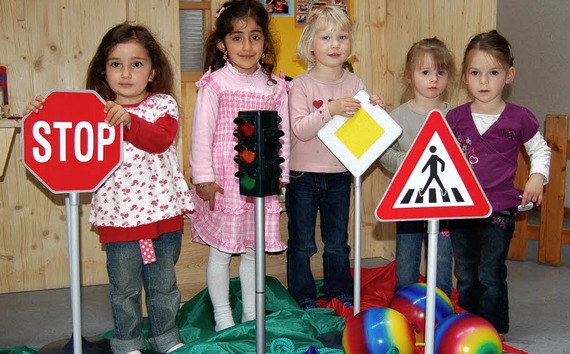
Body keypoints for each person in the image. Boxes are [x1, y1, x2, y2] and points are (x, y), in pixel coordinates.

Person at [24, 23, 194, 354]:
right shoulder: (94, 109)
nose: (126, 73)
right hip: (118, 220)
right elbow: (64, 134)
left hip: (163, 217)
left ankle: (166, 337)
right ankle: (128, 342)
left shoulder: (162, 105)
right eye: (116, 63)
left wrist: (129, 121)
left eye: (137, 63)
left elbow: (159, 140)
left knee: (163, 287)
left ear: (153, 69)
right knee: (124, 289)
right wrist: (38, 115)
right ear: (104, 69)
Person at [188, 0, 290, 332]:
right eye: (237, 37)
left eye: (255, 37)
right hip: (225, 184)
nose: (246, 46)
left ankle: (250, 313)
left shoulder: (275, 86)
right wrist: (203, 178)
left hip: (260, 183)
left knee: (252, 249)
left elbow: (283, 134)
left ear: (265, 42)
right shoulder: (215, 83)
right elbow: (201, 133)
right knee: (220, 252)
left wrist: (281, 177)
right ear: (222, 44)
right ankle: (222, 315)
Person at [445, 29, 551, 339]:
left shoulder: (520, 118)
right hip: (462, 208)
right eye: (476, 73)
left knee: (489, 272)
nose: (483, 81)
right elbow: (441, 158)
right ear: (465, 77)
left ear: (509, 75)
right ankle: (466, 325)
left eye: (493, 72)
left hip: (500, 211)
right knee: (465, 273)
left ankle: (493, 328)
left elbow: (540, 149)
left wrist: (536, 176)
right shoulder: (455, 118)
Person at [286, 5, 385, 310]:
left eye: (342, 37)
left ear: (350, 45)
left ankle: (340, 292)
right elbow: (300, 130)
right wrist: (329, 109)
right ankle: (302, 296)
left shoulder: (355, 84)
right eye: (326, 37)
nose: (335, 44)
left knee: (338, 244)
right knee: (302, 244)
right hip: (303, 175)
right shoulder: (301, 84)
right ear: (309, 45)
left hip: (341, 175)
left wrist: (374, 111)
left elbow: (363, 133)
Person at [378, 37, 456, 297]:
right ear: (409, 76)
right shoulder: (398, 116)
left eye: (440, 72)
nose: (434, 79)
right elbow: (384, 153)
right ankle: (405, 301)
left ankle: (442, 302)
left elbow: (463, 153)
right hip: (409, 200)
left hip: (444, 201)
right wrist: (404, 162)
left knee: (442, 257)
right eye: (425, 72)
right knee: (407, 255)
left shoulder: (454, 116)